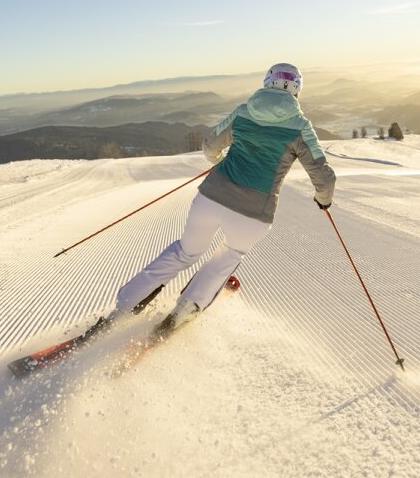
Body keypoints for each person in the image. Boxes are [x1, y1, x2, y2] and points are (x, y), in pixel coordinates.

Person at [111, 63, 336, 330]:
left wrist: (216, 159)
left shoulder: (244, 112)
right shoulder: (301, 127)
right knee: (228, 257)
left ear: (267, 82)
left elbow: (210, 145)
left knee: (185, 252)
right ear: (297, 88)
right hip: (254, 211)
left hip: (211, 198)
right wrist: (324, 200)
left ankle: (126, 305)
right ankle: (185, 311)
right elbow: (324, 177)